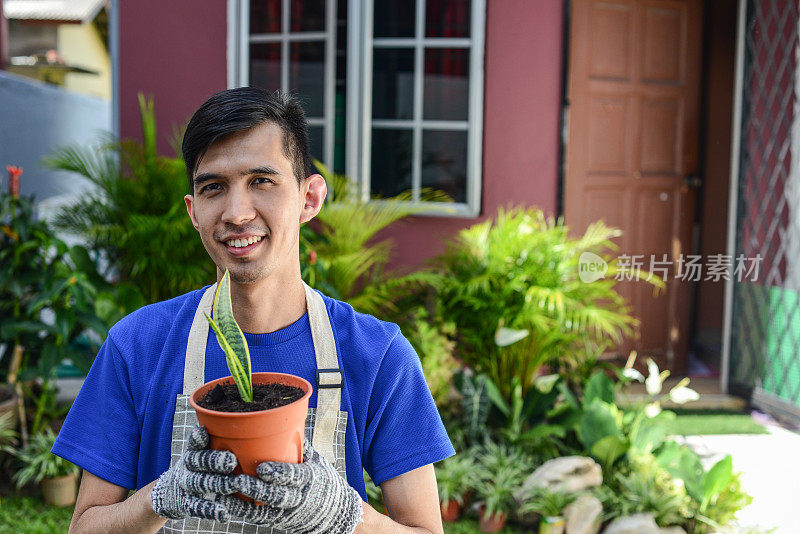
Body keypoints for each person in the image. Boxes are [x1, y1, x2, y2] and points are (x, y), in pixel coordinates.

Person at [52, 88, 456, 533]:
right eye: (213, 188)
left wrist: (343, 515)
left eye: (262, 181)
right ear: (193, 211)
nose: (237, 213)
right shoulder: (137, 345)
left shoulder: (378, 356)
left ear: (309, 198)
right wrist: (160, 497)